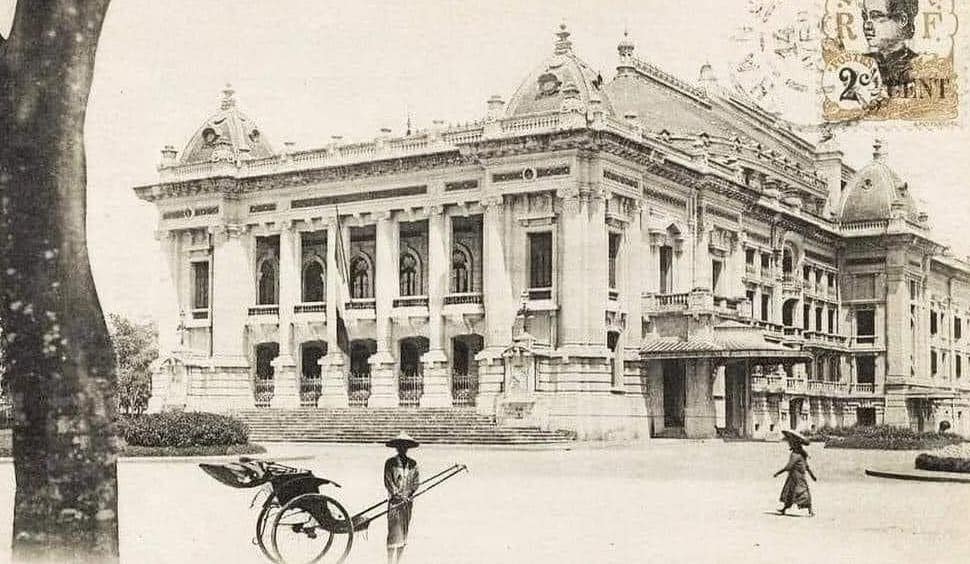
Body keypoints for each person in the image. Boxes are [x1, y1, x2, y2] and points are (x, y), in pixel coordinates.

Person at [861, 0, 920, 88]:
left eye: (876, 16)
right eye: (865, 17)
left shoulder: (919, 65)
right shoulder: (860, 63)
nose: (866, 26)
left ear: (902, 20)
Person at [384, 431, 420, 564]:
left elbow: (416, 482)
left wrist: (408, 494)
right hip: (394, 503)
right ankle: (389, 561)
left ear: (407, 448)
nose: (402, 449)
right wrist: (397, 494)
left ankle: (398, 561)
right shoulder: (390, 463)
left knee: (404, 532)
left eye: (405, 446)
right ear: (397, 448)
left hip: (407, 503)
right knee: (393, 533)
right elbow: (388, 481)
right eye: (400, 446)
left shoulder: (413, 464)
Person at [773, 429, 817, 517]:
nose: (789, 443)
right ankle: (785, 509)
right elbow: (807, 467)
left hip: (796, 477)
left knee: (797, 493)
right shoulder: (801, 454)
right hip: (798, 477)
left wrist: (778, 473)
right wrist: (812, 476)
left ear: (794, 444)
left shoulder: (795, 455)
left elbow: (788, 467)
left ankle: (810, 510)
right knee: (795, 493)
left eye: (790, 442)